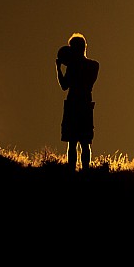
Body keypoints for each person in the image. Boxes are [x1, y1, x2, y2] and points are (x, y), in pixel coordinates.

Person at [56, 33, 100, 171]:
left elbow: (64, 86)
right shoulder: (93, 65)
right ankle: (85, 171)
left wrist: (58, 68)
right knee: (85, 142)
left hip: (73, 104)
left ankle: (71, 171)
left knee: (72, 142)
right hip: (86, 105)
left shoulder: (73, 67)